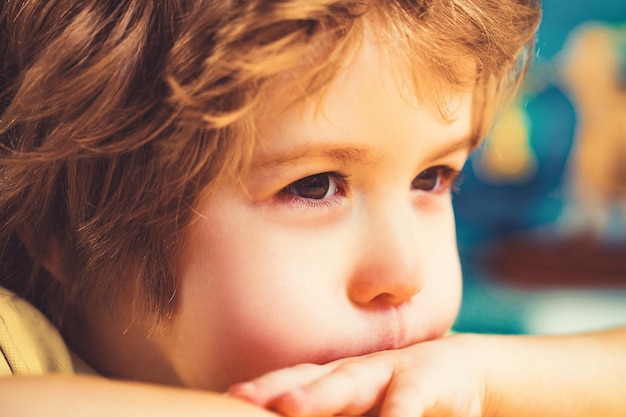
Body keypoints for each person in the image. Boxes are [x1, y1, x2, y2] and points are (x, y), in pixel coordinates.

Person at [0, 1, 595, 416]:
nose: (404, 274)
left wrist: (487, 377)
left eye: (432, 178)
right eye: (314, 187)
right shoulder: (20, 349)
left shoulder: (401, 364)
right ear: (69, 228)